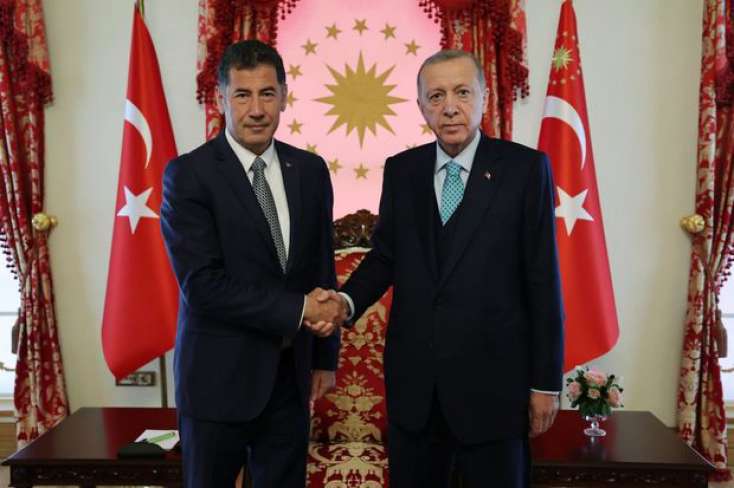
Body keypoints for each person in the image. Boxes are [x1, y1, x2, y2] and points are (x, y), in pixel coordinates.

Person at [336, 50, 564, 487]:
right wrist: (345, 302)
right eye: (436, 96)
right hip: (416, 391)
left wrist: (545, 383)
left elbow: (543, 281)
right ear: (421, 106)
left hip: (495, 391)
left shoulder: (525, 169)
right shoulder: (402, 171)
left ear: (484, 97)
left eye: (462, 92)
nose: (450, 107)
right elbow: (385, 257)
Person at [160, 40, 346, 488]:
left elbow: (321, 266)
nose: (257, 110)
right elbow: (203, 286)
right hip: (216, 381)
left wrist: (325, 357)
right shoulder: (188, 175)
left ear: (284, 96)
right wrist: (302, 309)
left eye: (267, 94)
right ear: (221, 98)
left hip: (290, 380)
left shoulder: (310, 170)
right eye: (242, 95)